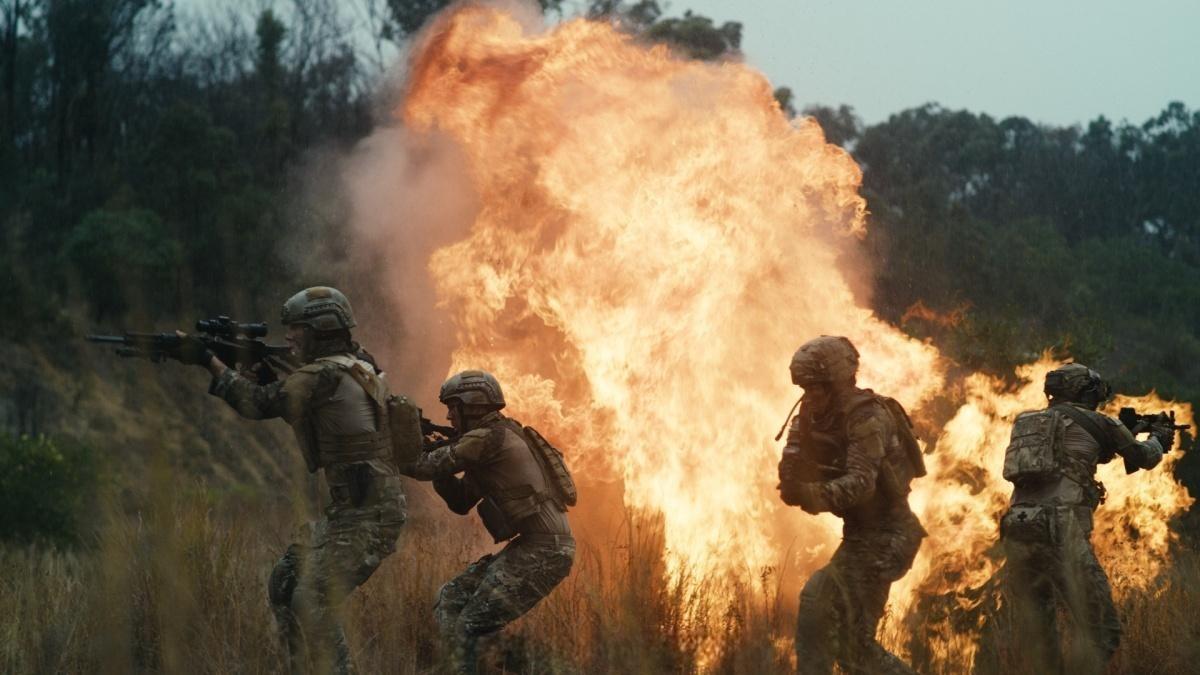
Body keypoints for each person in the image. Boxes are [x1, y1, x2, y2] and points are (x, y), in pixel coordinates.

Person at [185, 286, 406, 674]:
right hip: (352, 513)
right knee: (284, 581)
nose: (288, 336)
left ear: (319, 328)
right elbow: (299, 401)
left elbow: (258, 403)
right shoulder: (357, 364)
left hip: (369, 515)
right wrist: (261, 371)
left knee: (311, 597)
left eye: (297, 328)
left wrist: (208, 361)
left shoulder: (324, 373)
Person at [984, 363, 1166, 673]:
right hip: (1061, 529)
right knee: (1103, 630)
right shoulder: (1101, 422)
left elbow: (1075, 453)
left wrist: (1124, 432)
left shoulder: (1026, 422)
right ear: (1089, 392)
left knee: (1040, 638)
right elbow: (1142, 457)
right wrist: (1159, 439)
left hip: (1016, 529)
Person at [398, 370, 575, 675]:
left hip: (544, 550)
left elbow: (421, 467)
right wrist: (434, 449)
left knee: (470, 626)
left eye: (454, 407)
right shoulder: (492, 441)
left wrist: (403, 438)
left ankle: (540, 666)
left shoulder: (488, 438)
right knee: (450, 599)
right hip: (534, 547)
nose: (449, 415)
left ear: (472, 406)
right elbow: (460, 502)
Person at [776, 335, 926, 675]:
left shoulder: (866, 416)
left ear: (838, 382)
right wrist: (792, 479)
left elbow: (861, 485)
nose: (810, 396)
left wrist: (811, 493)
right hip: (859, 536)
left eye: (817, 388)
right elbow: (793, 465)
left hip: (890, 535)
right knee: (820, 615)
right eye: (805, 387)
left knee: (852, 645)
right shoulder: (808, 417)